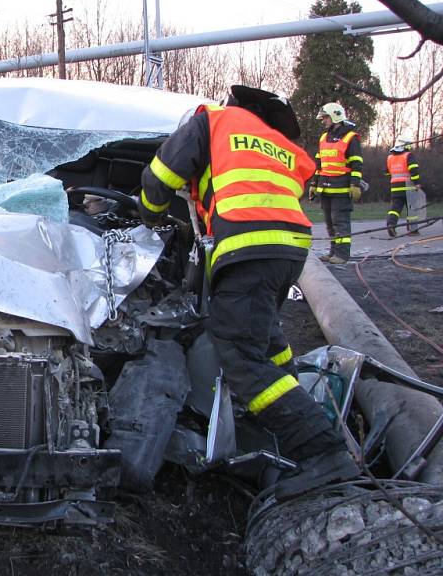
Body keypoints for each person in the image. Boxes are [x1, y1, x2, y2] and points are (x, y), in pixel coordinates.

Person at [137, 85, 360, 499]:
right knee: (266, 341)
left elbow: (162, 172)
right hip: (289, 250)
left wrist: (148, 216)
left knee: (238, 352)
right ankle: (287, 420)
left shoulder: (213, 119)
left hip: (247, 245)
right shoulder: (279, 143)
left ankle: (322, 450)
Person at [309, 103, 363, 264]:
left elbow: (357, 164)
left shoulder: (350, 137)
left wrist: (355, 184)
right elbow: (319, 164)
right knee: (330, 223)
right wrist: (314, 184)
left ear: (335, 116)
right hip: (325, 188)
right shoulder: (323, 137)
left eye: (325, 117)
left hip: (342, 188)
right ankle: (333, 252)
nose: (323, 121)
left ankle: (342, 254)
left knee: (341, 223)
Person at [385, 134, 422, 237]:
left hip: (395, 187)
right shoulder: (408, 155)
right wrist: (417, 183)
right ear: (405, 145)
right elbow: (413, 169)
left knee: (395, 208)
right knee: (412, 209)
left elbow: (387, 173)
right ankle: (412, 230)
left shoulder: (389, 157)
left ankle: (391, 225)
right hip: (408, 187)